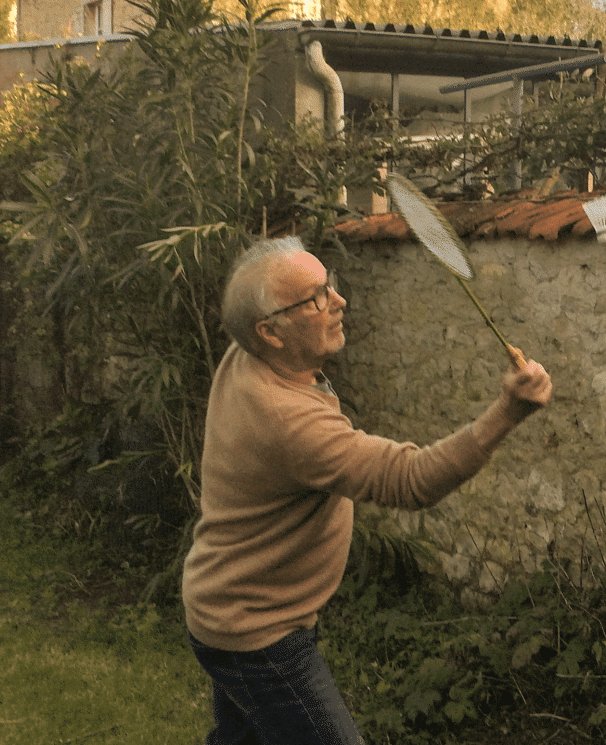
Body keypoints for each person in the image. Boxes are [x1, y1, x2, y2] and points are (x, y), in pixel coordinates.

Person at [182, 236, 552, 745]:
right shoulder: (288, 421)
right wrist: (507, 412)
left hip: (224, 610)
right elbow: (411, 480)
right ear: (270, 332)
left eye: (328, 284)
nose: (339, 301)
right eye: (315, 298)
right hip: (256, 633)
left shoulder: (248, 357)